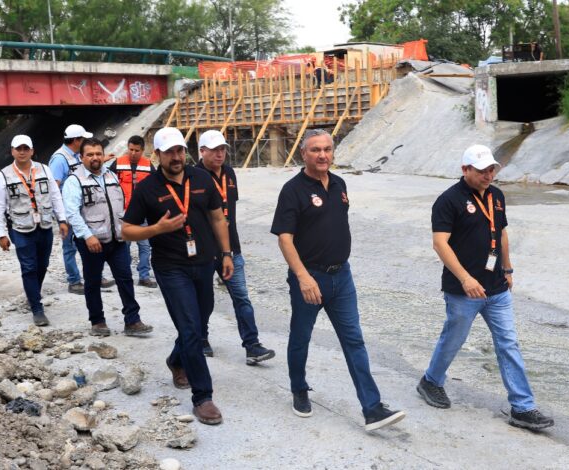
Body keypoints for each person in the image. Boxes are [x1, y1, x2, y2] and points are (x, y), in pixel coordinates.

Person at [270, 129, 406, 432]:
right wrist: (303, 277)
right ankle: (299, 389)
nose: (322, 155)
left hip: (341, 277)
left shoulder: (340, 184)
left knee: (354, 340)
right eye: (315, 150)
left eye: (327, 149)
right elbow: (285, 239)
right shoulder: (292, 190)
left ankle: (372, 409)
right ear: (303, 154)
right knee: (301, 336)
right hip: (310, 278)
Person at [416, 144, 554, 431]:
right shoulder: (448, 200)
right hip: (463, 290)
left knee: (508, 343)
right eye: (481, 171)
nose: (488, 175)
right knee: (453, 339)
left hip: (497, 287)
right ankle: (430, 381)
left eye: (491, 169)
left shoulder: (497, 196)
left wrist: (508, 267)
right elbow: (439, 243)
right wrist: (466, 279)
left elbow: (501, 232)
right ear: (465, 170)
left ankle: (523, 407)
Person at [121, 127, 234, 426]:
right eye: (169, 151)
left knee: (200, 320)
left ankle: (176, 360)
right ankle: (203, 397)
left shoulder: (201, 179)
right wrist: (156, 229)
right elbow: (127, 230)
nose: (176, 156)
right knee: (191, 328)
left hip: (204, 263)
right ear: (156, 154)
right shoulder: (147, 188)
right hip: (171, 267)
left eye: (180, 150)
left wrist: (226, 254)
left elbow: (217, 218)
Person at [195, 129, 275, 365]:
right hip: (205, 251)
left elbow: (230, 207)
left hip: (231, 248)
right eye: (215, 150)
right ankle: (201, 339)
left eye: (223, 150)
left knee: (242, 298)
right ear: (202, 151)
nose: (220, 154)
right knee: (204, 299)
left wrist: (230, 248)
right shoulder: (194, 176)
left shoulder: (229, 173)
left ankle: (252, 346)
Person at [61, 137, 153, 338]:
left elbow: (120, 206)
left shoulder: (112, 176)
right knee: (93, 282)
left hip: (118, 240)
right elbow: (72, 214)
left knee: (125, 279)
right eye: (90, 154)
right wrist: (87, 236)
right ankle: (97, 321)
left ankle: (133, 321)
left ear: (103, 155)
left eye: (98, 154)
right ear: (82, 157)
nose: (95, 158)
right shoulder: (74, 181)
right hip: (92, 243)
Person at [0, 135, 69, 326]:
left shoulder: (44, 170)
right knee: (28, 267)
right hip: (20, 228)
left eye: (26, 148)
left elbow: (55, 196)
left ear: (32, 151)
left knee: (42, 265)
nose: (22, 151)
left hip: (44, 226)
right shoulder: (3, 176)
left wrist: (62, 219)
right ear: (12, 151)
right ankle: (37, 308)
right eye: (19, 148)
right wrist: (1, 233)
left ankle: (32, 294)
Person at [49, 124, 113, 294]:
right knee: (70, 246)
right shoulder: (59, 159)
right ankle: (74, 281)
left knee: (90, 241)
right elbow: (54, 189)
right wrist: (61, 216)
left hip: (84, 207)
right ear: (76, 140)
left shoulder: (76, 156)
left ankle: (95, 276)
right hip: (68, 210)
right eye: (83, 139)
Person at [109, 135, 157, 288]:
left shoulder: (149, 166)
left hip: (143, 215)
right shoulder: (118, 164)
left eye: (137, 150)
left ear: (143, 150)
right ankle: (125, 275)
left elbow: (155, 189)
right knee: (125, 247)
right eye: (131, 149)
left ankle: (144, 276)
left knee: (145, 247)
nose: (133, 153)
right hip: (124, 215)